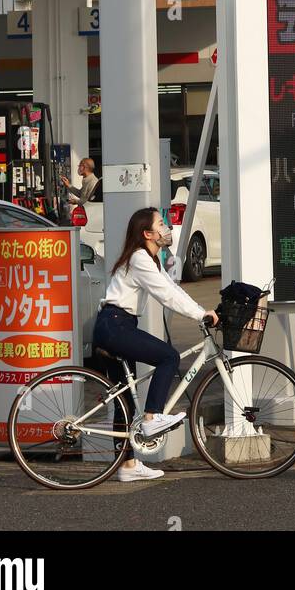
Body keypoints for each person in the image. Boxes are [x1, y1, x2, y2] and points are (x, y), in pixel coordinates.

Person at [93, 207, 219, 484]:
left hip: (114, 325)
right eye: (160, 224)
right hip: (115, 325)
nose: (166, 228)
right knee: (168, 357)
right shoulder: (139, 258)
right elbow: (165, 295)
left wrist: (200, 310)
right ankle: (152, 418)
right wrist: (200, 314)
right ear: (147, 233)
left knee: (123, 401)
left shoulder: (150, 258)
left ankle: (127, 466)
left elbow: (173, 289)